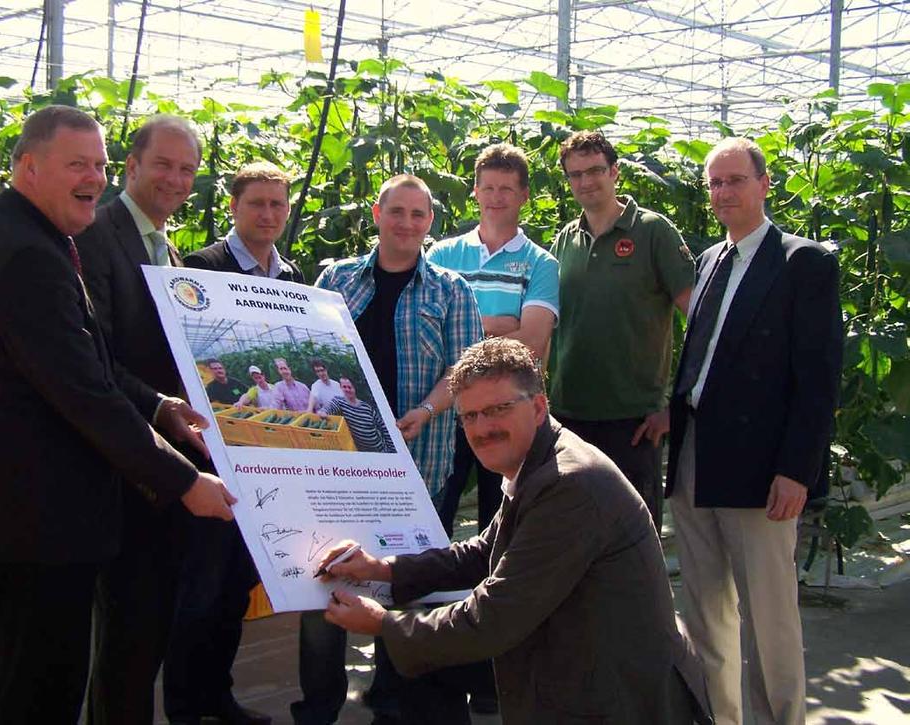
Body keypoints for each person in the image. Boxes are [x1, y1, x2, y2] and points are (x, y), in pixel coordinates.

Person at [0, 105, 234, 725]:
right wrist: (185, 481)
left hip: (6, 510)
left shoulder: (19, 233)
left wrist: (159, 404)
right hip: (32, 517)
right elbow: (84, 393)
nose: (94, 177)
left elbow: (90, 360)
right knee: (39, 686)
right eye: (76, 164)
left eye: (99, 164)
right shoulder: (30, 256)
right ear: (28, 167)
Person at [322, 338, 712, 725]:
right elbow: (480, 552)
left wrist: (382, 624)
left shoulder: (568, 483)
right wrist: (382, 568)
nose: (482, 429)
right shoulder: (540, 458)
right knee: (429, 669)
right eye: (470, 416)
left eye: (498, 409)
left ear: (539, 406)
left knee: (426, 660)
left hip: (616, 696)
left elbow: (494, 617)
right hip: (572, 653)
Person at [75, 114, 269, 725]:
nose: (176, 178)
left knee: (153, 615)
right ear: (130, 166)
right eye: (163, 164)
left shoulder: (166, 244)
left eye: (187, 169)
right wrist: (160, 406)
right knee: (129, 626)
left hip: (164, 458)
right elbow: (97, 358)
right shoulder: (98, 236)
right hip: (124, 460)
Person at [665, 137, 842, 725]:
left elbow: (818, 380)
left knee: (768, 618)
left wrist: (797, 470)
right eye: (714, 183)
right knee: (705, 612)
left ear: (765, 184)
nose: (722, 193)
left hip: (762, 467)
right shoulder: (710, 261)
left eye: (735, 180)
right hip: (696, 456)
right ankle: (720, 716)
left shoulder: (802, 262)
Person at [294, 174, 482, 725]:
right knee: (322, 576)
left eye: (417, 215)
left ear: (430, 223)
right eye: (396, 212)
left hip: (419, 459)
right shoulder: (337, 279)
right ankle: (319, 706)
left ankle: (393, 700)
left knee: (410, 577)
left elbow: (463, 369)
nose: (406, 224)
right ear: (377, 214)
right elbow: (309, 350)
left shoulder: (451, 289)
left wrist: (424, 411)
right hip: (339, 458)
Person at [425, 141, 559, 714]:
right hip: (446, 416)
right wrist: (497, 325)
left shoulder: (542, 262)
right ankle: (430, 662)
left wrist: (472, 330)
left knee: (503, 540)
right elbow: (430, 328)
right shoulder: (444, 252)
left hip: (507, 421)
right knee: (431, 528)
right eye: (488, 186)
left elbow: (529, 345)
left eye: (509, 188)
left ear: (523, 196)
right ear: (474, 190)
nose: (497, 197)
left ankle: (489, 671)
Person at [171, 160, 304, 725]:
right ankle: (183, 707)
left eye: (278, 204)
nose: (269, 214)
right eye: (258, 203)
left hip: (269, 461)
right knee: (198, 591)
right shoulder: (199, 270)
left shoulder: (292, 280)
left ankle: (216, 698)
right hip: (212, 457)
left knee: (234, 588)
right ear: (233, 206)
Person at [547, 130, 694, 532]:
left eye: (595, 170)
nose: (585, 182)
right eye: (575, 174)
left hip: (633, 417)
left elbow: (698, 320)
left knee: (633, 533)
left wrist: (673, 406)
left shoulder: (652, 232)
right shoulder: (566, 239)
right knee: (573, 530)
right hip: (569, 413)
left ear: (615, 172)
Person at [324, 377, 396, 453]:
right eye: (344, 387)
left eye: (349, 387)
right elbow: (329, 408)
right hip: (363, 453)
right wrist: (323, 412)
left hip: (382, 450)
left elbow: (383, 427)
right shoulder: (339, 401)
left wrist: (391, 449)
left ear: (355, 388)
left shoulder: (367, 407)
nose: (347, 390)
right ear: (341, 388)